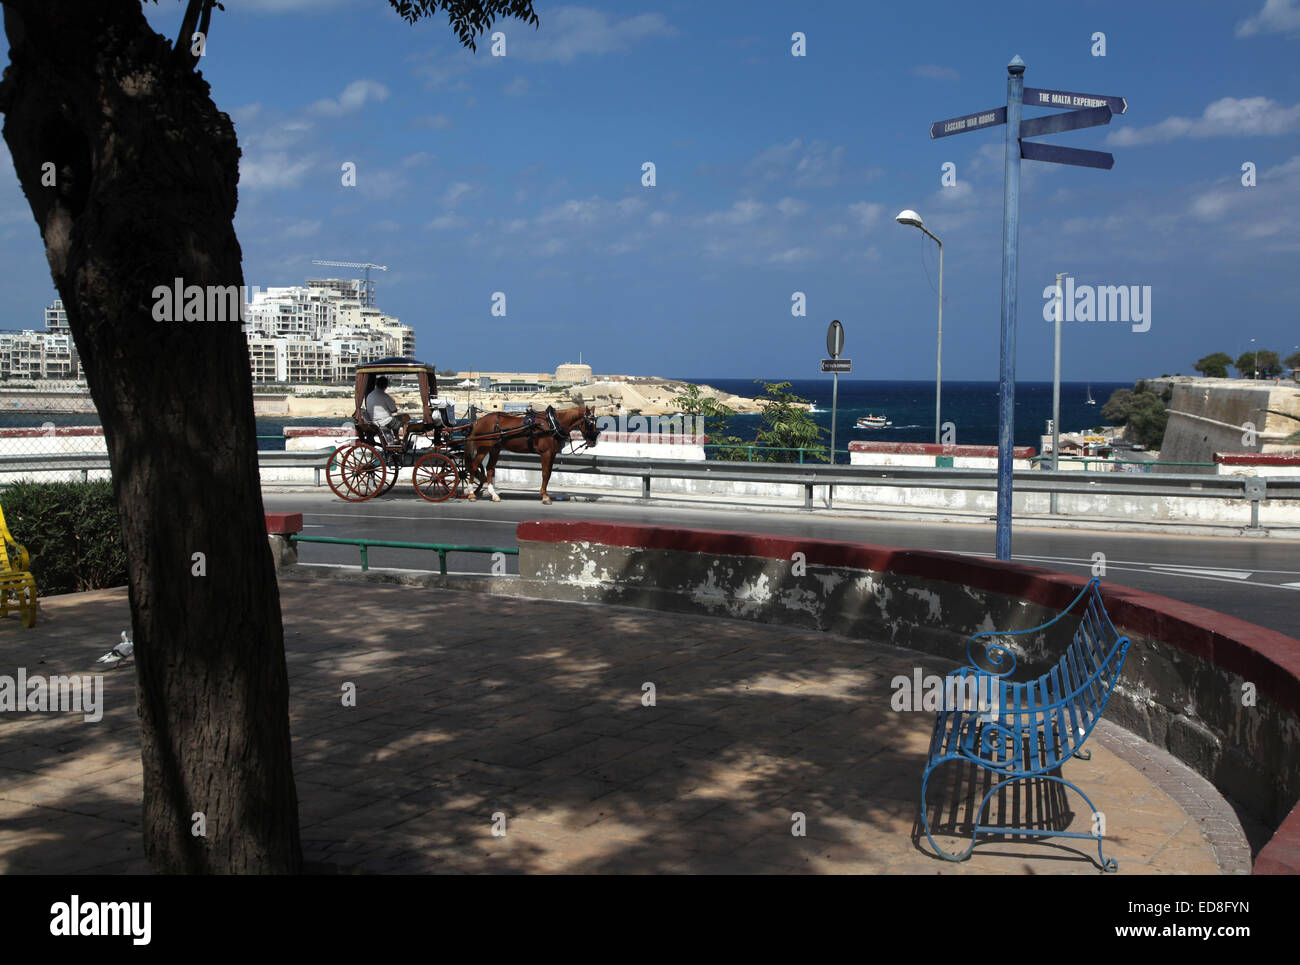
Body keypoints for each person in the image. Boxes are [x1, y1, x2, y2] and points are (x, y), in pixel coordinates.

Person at [365, 375, 409, 442]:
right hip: (384, 421)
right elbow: (394, 410)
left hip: (373, 421)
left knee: (395, 420)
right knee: (405, 417)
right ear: (385, 386)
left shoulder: (370, 395)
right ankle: (404, 439)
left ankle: (396, 438)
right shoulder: (385, 396)